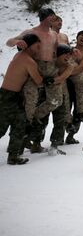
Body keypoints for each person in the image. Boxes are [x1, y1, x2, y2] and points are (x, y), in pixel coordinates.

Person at [6, 8, 63, 152]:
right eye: (52, 17)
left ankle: (34, 118)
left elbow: (58, 53)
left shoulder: (54, 35)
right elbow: (9, 41)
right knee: (29, 103)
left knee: (57, 100)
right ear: (44, 17)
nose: (54, 19)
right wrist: (16, 42)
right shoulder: (31, 32)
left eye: (55, 17)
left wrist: (70, 54)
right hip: (34, 69)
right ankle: (24, 133)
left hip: (50, 69)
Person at [0, 34, 43, 165]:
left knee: (19, 126)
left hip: (13, 96)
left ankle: (13, 156)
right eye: (37, 46)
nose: (39, 48)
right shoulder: (28, 61)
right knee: (1, 128)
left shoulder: (19, 56)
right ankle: (13, 155)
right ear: (30, 45)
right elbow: (38, 81)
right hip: (7, 97)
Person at [64, 31, 83, 145]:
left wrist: (66, 73)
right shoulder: (69, 50)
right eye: (82, 35)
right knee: (65, 107)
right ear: (76, 37)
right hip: (67, 82)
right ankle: (65, 129)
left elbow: (80, 68)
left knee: (78, 111)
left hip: (79, 83)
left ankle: (71, 135)